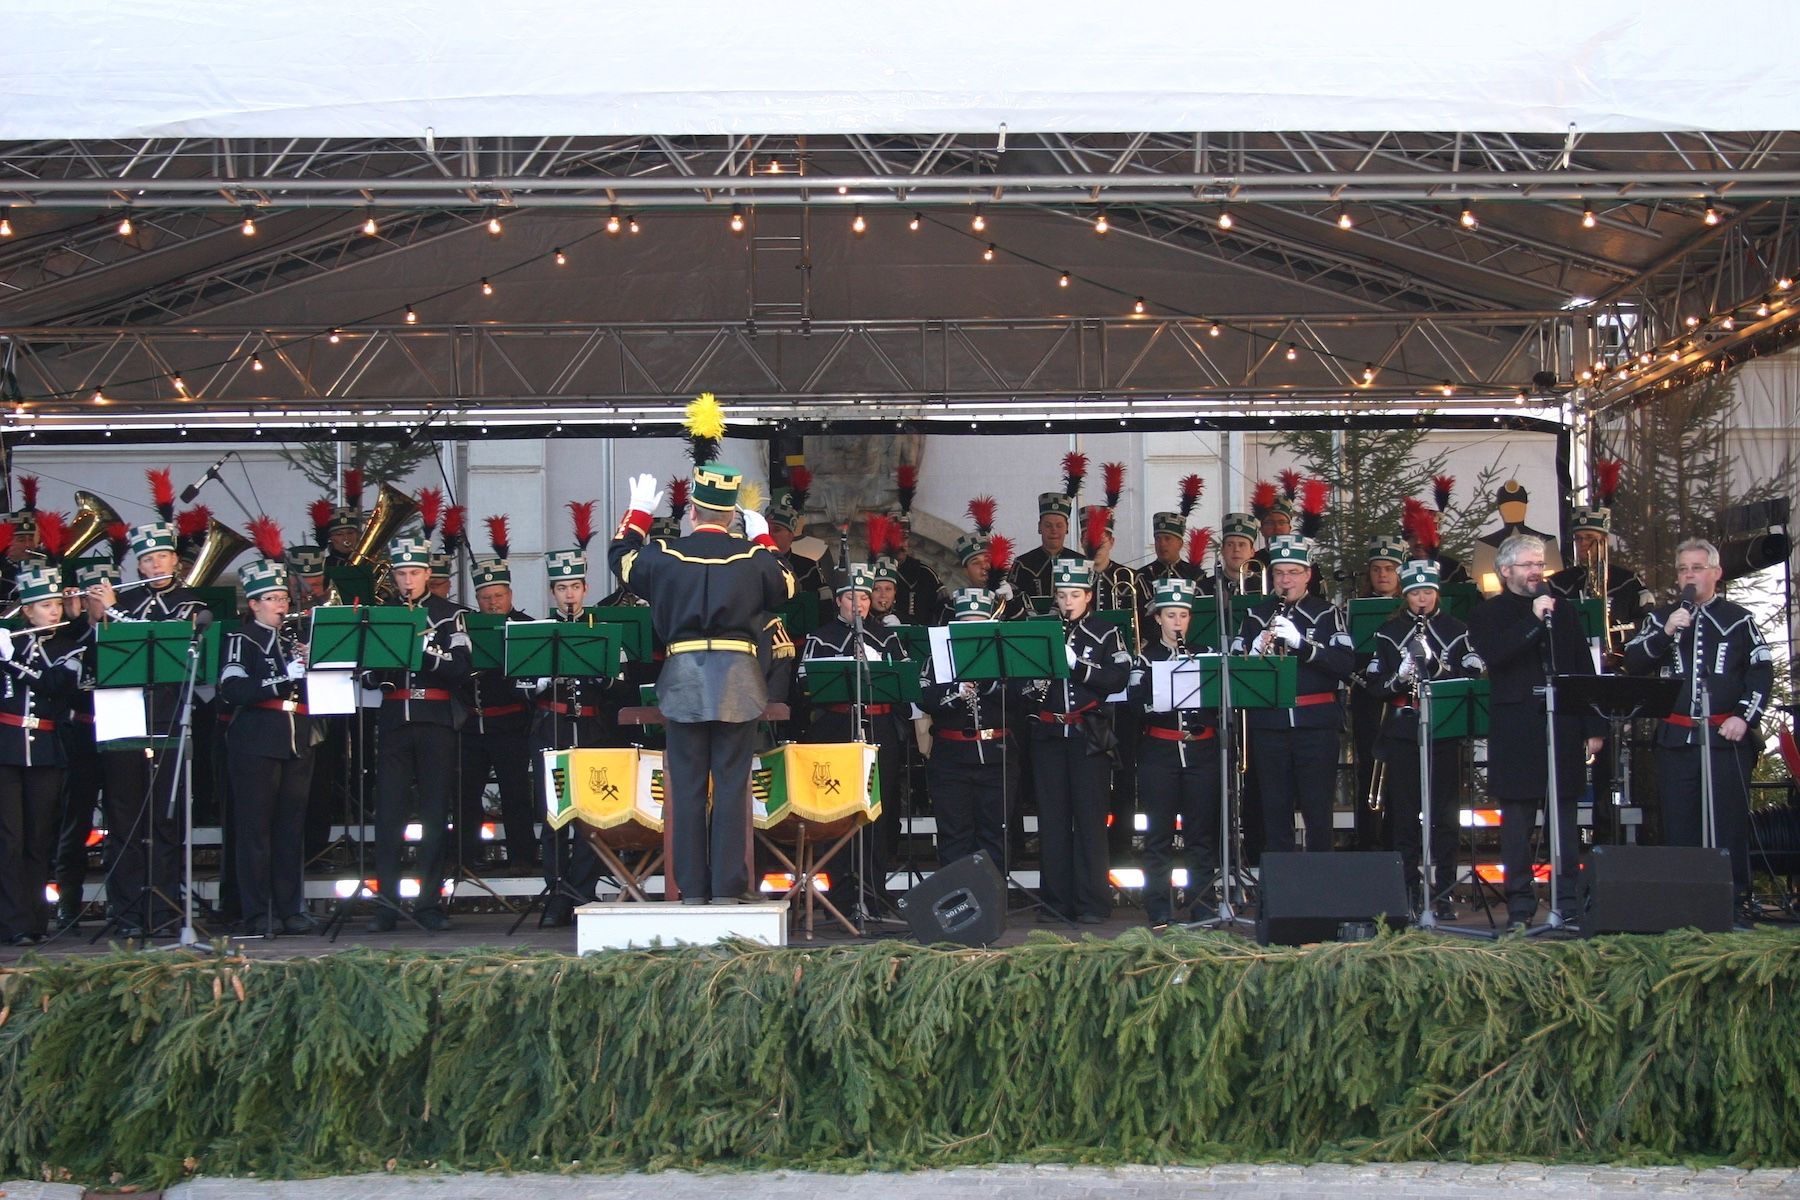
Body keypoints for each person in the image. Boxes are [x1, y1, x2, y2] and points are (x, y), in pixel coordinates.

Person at [608, 464, 795, 904]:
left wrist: (638, 513)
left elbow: (621, 559)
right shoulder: (753, 557)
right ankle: (729, 888)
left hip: (685, 676)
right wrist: (763, 537)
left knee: (688, 786)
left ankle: (691, 889)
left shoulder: (665, 554)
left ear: (692, 512)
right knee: (731, 785)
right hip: (738, 678)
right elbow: (786, 585)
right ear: (732, 516)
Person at [1623, 538, 1772, 915]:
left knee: (1728, 823)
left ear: (1716, 573)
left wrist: (1744, 716)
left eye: (1697, 568)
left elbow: (1760, 671)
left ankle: (1734, 902)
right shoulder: (1661, 618)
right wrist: (1666, 632)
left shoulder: (1739, 619)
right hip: (1676, 740)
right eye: (1683, 569)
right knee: (1679, 823)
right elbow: (1634, 662)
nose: (1689, 575)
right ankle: (1685, 904)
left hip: (1725, 739)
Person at [1466, 533, 1605, 928]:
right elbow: (1496, 656)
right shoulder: (1488, 613)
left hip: (1562, 724)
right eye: (1527, 565)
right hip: (1516, 729)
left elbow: (1581, 666)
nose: (1536, 572)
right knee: (1517, 822)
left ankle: (1567, 901)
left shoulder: (1564, 610)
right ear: (1505, 570)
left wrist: (1593, 725)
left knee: (1565, 820)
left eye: (1539, 564)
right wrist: (1532, 620)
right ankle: (1521, 905)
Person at [82, 518, 207, 935]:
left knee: (165, 820)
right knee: (124, 820)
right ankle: (127, 912)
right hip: (122, 718)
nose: (156, 565)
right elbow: (93, 660)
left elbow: (171, 638)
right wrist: (94, 617)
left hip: (167, 717)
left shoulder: (189, 603)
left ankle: (165, 910)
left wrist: (112, 611)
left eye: (163, 557)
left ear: (175, 560)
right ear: (138, 566)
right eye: (148, 560)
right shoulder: (123, 600)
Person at [1364, 559, 1484, 917]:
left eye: (1428, 592)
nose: (1422, 599)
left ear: (1437, 593)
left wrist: (1436, 667)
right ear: (1405, 593)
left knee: (1445, 817)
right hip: (1403, 730)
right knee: (1404, 815)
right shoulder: (1389, 632)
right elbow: (1374, 686)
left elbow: (1472, 674)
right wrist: (1400, 678)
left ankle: (1444, 891)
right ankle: (1409, 890)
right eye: (1416, 593)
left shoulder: (1457, 630)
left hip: (1444, 729)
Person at [364, 534, 472, 932]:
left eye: (414, 573)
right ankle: (386, 905)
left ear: (428, 574)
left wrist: (422, 651)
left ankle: (429, 903)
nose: (407, 580)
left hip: (435, 721)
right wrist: (382, 662)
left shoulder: (450, 615)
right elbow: (369, 675)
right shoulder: (382, 614)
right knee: (389, 814)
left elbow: (461, 668)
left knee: (434, 814)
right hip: (395, 720)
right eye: (401, 574)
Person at [216, 546, 318, 938]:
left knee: (291, 830)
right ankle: (257, 911)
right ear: (255, 604)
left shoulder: (293, 639)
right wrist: (282, 678)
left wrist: (313, 663)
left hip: (296, 738)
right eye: (273, 599)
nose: (281, 605)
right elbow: (233, 688)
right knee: (255, 831)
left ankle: (291, 909)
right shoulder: (241, 639)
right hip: (256, 740)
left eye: (283, 598)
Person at [1232, 535, 1354, 853]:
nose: (1286, 580)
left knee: (1317, 809)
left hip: (1316, 725)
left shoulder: (1327, 613)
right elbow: (1234, 673)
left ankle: (1320, 877)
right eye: (1279, 573)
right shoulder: (1256, 615)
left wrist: (1303, 645)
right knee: (1274, 809)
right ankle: (1281, 880)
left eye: (1293, 572)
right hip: (1269, 725)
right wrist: (1253, 652)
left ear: (1307, 574)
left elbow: (1345, 664)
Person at [800, 563, 911, 909]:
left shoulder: (887, 636)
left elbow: (906, 684)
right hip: (837, 728)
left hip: (880, 728)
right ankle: (842, 896)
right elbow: (804, 684)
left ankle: (874, 892)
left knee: (877, 811)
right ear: (838, 601)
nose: (860, 604)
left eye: (864, 597)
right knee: (839, 812)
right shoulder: (822, 637)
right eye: (852, 598)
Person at [1026, 559, 1130, 923]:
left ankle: (1093, 903)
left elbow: (1118, 677)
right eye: (1062, 595)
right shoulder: (1040, 631)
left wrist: (1077, 666)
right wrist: (1033, 682)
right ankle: (1055, 902)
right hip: (1049, 734)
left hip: (1089, 733)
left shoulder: (1105, 632)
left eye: (1075, 594)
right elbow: (1020, 683)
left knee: (1089, 819)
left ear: (1088, 596)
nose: (1068, 602)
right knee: (1053, 821)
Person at [530, 541, 619, 926]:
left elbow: (621, 684)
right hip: (551, 729)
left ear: (585, 589)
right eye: (562, 588)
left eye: (575, 587)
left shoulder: (602, 630)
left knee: (591, 817)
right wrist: (541, 676)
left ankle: (581, 891)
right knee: (554, 816)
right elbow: (520, 685)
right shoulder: (538, 631)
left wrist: (604, 674)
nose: (569, 594)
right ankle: (555, 893)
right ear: (553, 592)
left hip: (592, 730)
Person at [1129, 577, 1221, 927]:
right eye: (1170, 615)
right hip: (1160, 751)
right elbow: (1134, 705)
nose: (1178, 622)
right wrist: (1157, 696)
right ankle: (1158, 906)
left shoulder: (1206, 653)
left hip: (1202, 751)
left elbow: (1220, 700)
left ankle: (1202, 902)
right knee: (1159, 835)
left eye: (1183, 615)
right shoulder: (1145, 658)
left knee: (1201, 834)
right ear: (1158, 619)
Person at [0, 564, 80, 945]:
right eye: (45, 605)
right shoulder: (9, 640)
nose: (54, 611)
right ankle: (13, 921)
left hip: (46, 750)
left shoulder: (69, 646)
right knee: (9, 839)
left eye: (56, 605)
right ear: (27, 611)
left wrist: (8, 660)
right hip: (6, 747)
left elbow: (55, 684)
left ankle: (35, 920)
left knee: (39, 838)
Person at [920, 587, 1017, 871]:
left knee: (996, 834)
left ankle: (994, 895)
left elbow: (1022, 697)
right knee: (954, 835)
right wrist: (956, 691)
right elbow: (923, 697)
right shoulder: (938, 656)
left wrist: (991, 682)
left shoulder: (1005, 655)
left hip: (996, 756)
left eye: (979, 624)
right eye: (965, 625)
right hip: (951, 759)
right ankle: (957, 896)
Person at [458, 550, 536, 874]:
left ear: (510, 595)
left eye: (499, 596)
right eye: (486, 597)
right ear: (477, 599)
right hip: (471, 724)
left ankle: (523, 857)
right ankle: (465, 858)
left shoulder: (526, 627)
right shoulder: (464, 627)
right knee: (466, 794)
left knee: (515, 792)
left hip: (510, 724)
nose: (492, 603)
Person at [1348, 533, 1408, 852]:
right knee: (1368, 765)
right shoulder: (1357, 610)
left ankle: (1396, 839)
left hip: (1402, 699)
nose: (1382, 575)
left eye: (1389, 568)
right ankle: (1367, 838)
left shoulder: (1410, 610)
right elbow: (1348, 654)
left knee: (1400, 770)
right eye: (1376, 569)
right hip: (1368, 698)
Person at [1008, 492, 1082, 607]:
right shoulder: (1022, 564)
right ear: (1039, 527)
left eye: (1059, 525)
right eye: (1048, 525)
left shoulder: (1080, 562)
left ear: (1067, 528)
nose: (1054, 530)